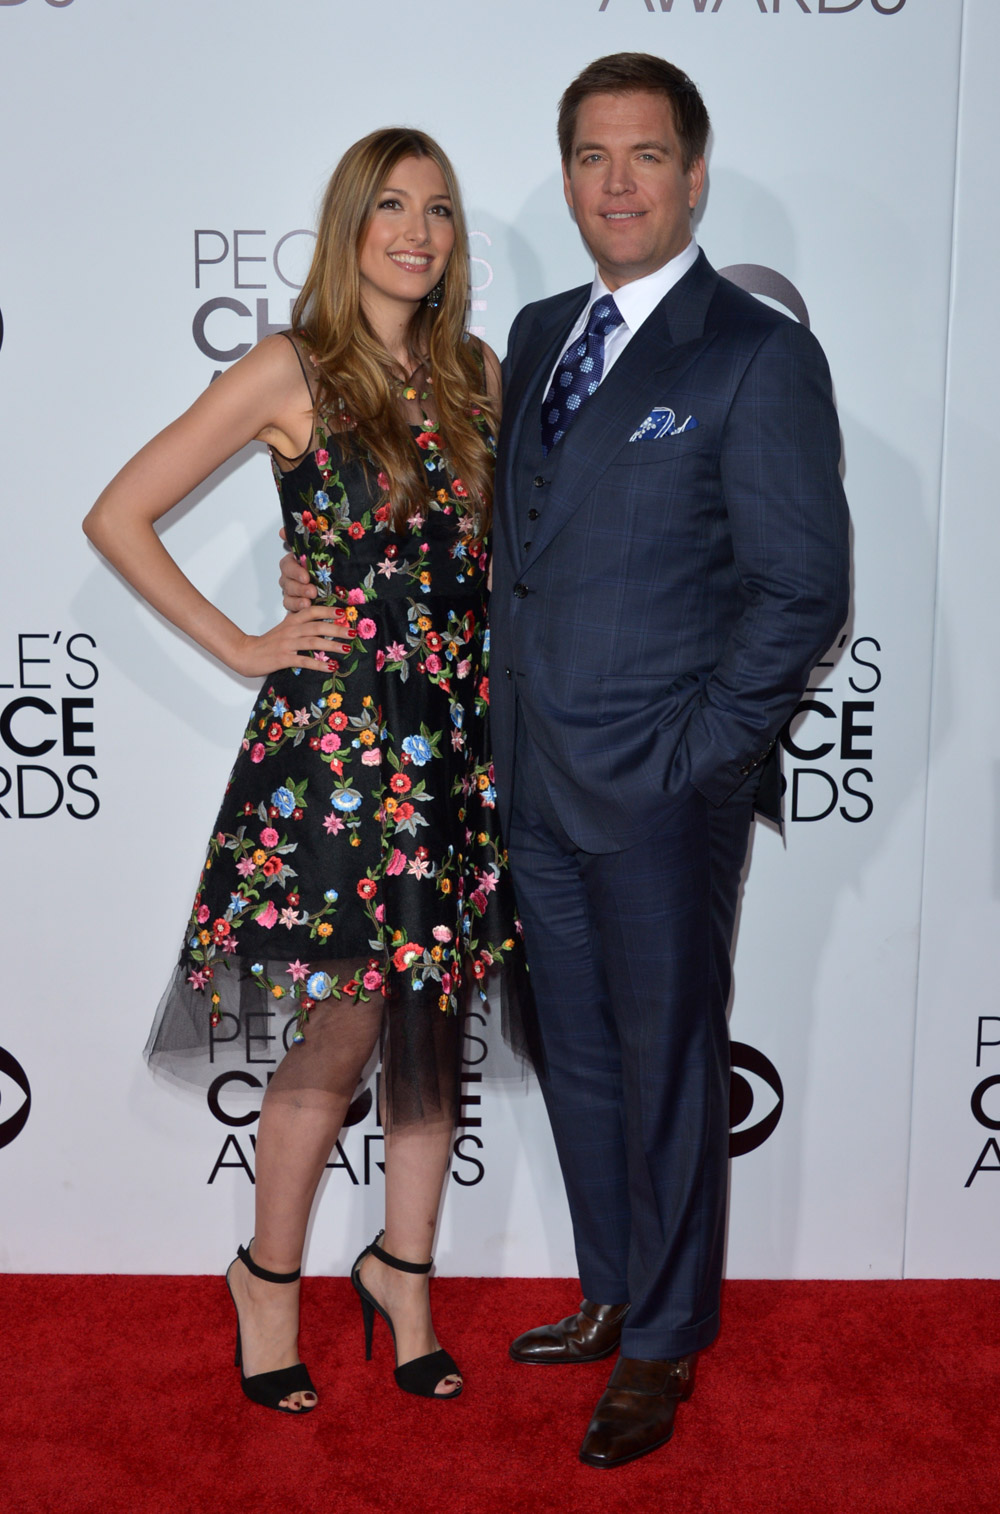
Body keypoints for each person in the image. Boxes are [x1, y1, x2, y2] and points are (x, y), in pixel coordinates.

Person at [281, 54, 850, 1466]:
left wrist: (702, 754)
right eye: (592, 158)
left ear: (695, 174)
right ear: (569, 177)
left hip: (662, 790)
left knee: (664, 1068)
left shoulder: (753, 349)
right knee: (580, 1057)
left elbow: (803, 589)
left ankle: (663, 1346)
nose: (617, 184)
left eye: (646, 156)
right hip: (522, 780)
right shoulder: (533, 333)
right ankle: (612, 1288)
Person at [84, 127, 525, 1414]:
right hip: (338, 755)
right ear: (348, 226)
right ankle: (266, 1278)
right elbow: (120, 511)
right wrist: (243, 638)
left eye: (439, 211)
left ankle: (404, 1268)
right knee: (336, 1035)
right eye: (392, 205)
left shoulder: (480, 375)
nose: (417, 231)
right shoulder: (295, 369)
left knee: (434, 1034)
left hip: (452, 742)